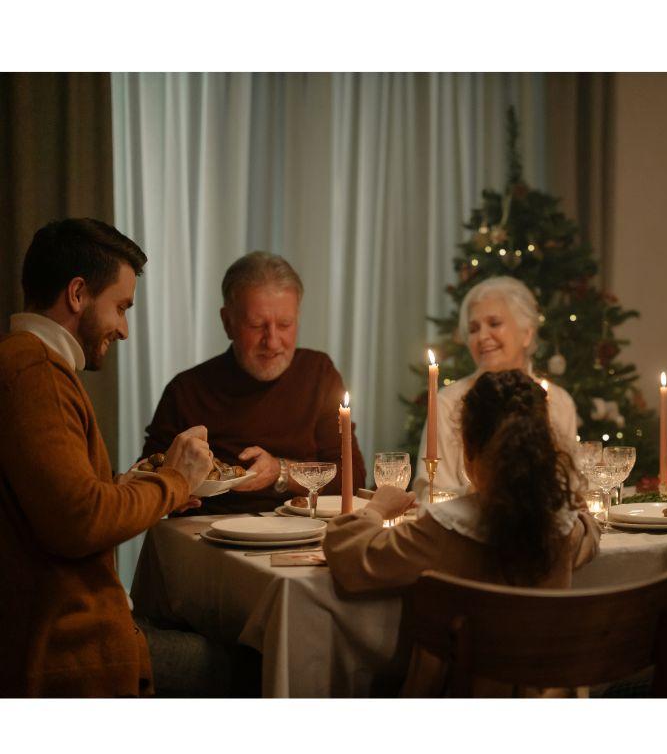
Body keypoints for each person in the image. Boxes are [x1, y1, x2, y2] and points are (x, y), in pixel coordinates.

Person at [0, 219, 213, 697]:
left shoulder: (30, 363)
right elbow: (80, 522)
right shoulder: (35, 372)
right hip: (68, 651)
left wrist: (134, 487)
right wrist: (174, 481)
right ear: (78, 294)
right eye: (121, 307)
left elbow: (60, 500)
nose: (123, 329)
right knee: (248, 666)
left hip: (67, 632)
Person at [325, 370, 599, 693]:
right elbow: (590, 534)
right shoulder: (563, 531)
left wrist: (377, 508)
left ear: (468, 451)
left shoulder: (445, 530)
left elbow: (350, 555)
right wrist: (572, 505)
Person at [141, 251, 366, 514]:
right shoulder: (187, 390)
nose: (271, 342)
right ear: (228, 322)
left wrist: (280, 472)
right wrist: (173, 493)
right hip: (211, 537)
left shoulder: (318, 373)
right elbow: (149, 478)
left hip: (302, 529)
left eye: (284, 324)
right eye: (256, 325)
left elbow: (353, 479)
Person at [413, 276, 577, 501]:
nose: (482, 336)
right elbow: (430, 491)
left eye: (495, 323)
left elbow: (569, 487)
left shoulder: (559, 401)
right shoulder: (447, 402)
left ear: (527, 333)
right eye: (473, 328)